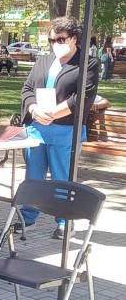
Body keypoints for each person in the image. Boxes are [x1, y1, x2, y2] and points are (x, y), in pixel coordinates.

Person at [15, 16, 99, 239]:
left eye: (60, 39)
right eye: (51, 39)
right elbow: (27, 89)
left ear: (74, 39)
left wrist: (52, 114)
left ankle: (64, 221)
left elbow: (81, 98)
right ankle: (28, 216)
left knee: (62, 177)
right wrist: (34, 109)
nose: (55, 44)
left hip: (64, 129)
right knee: (34, 175)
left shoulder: (87, 63)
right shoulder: (44, 60)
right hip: (38, 127)